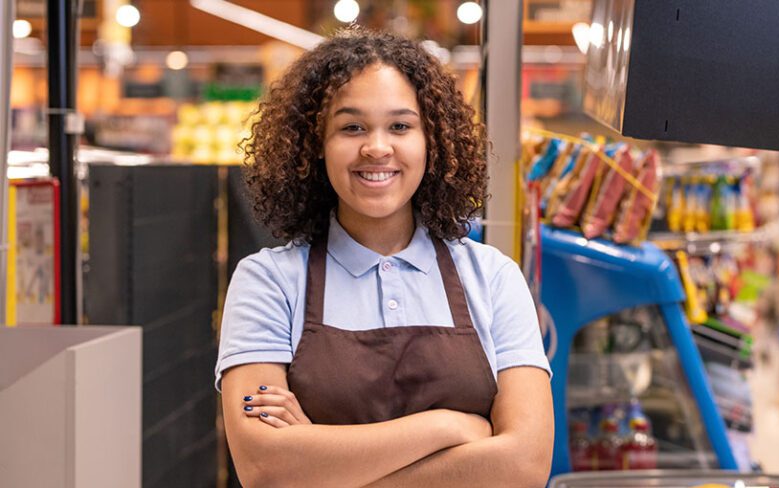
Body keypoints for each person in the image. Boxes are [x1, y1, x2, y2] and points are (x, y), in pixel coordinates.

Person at [215, 29, 554, 487]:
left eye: (400, 126)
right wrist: (448, 427)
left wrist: (320, 463)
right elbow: (264, 468)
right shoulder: (268, 281)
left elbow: (525, 465)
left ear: (432, 141)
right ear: (315, 145)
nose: (377, 147)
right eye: (352, 127)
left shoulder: (492, 277)